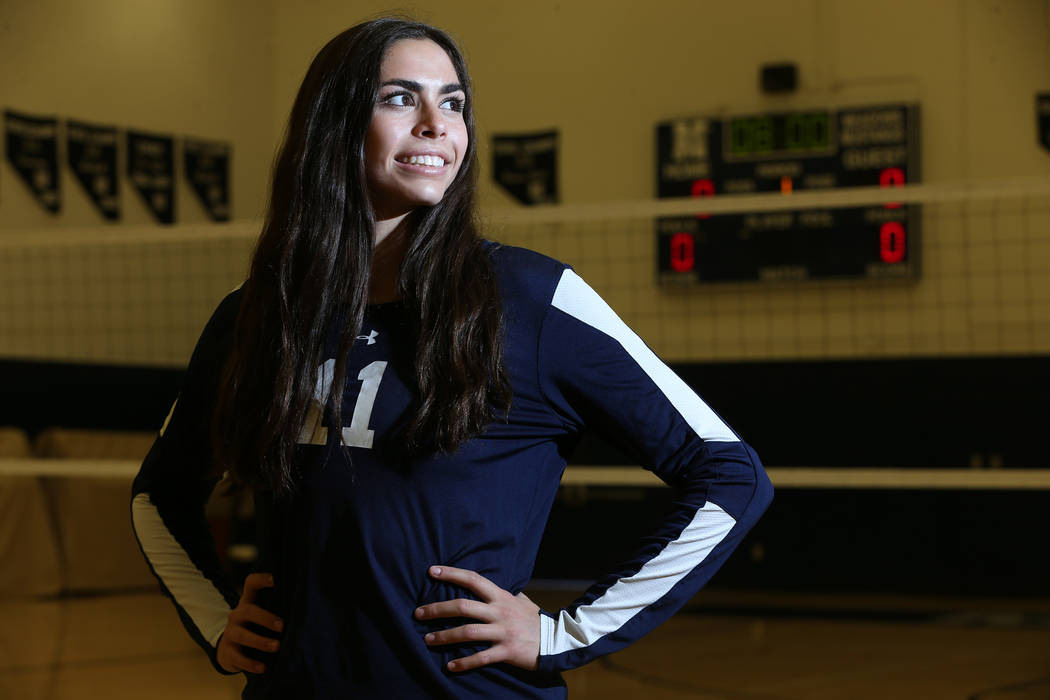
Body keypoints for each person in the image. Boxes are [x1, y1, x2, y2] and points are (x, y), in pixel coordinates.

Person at [131, 16, 772, 699]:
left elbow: (730, 474)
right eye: (400, 97)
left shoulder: (533, 301)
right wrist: (217, 619)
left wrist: (569, 633)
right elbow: (159, 497)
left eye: (455, 102)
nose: (439, 123)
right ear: (334, 122)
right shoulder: (260, 312)